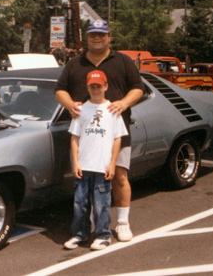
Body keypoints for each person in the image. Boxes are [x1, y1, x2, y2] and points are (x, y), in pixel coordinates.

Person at [55, 19, 145, 242]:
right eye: (93, 34)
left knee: (119, 176)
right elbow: (60, 90)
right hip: (85, 135)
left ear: (108, 37)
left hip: (115, 132)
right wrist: (70, 105)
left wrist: (124, 103)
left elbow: (138, 88)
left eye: (101, 34)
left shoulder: (122, 61)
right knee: (87, 182)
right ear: (87, 37)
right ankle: (93, 224)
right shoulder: (75, 63)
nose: (97, 38)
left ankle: (122, 222)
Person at [63, 70, 128, 251]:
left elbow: (117, 139)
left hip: (102, 166)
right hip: (83, 165)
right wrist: (75, 162)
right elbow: (75, 138)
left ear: (106, 86)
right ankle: (80, 233)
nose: (96, 90)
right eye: (92, 86)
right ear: (87, 87)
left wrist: (112, 163)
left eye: (99, 86)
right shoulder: (81, 110)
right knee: (80, 203)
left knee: (101, 203)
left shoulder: (113, 110)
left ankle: (102, 235)